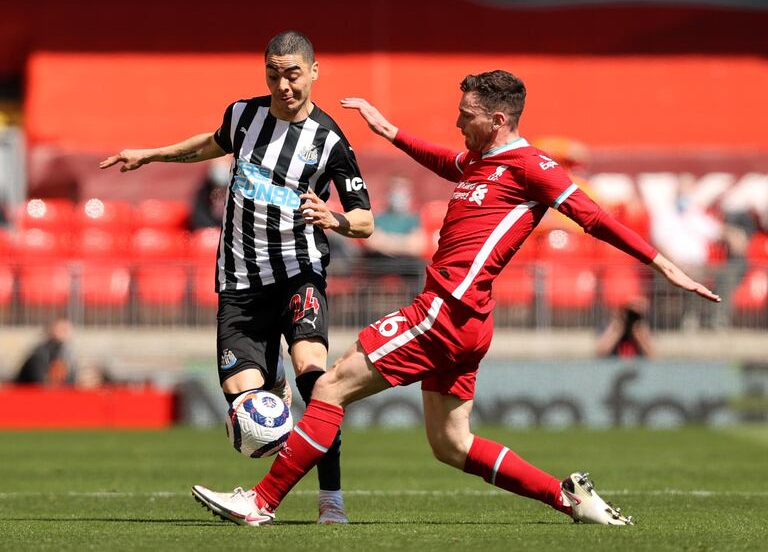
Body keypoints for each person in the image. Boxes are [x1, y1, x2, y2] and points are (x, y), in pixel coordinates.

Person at [189, 70, 720, 527]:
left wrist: (663, 264)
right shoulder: (478, 162)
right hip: (466, 322)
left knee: (329, 385)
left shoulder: (531, 166)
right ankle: (568, 498)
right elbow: (445, 160)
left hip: (446, 311)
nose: (457, 122)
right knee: (451, 445)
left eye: (466, 114)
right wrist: (389, 130)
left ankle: (261, 501)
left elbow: (594, 216)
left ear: (498, 120)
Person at [100, 31, 373, 524]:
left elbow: (365, 219)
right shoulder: (243, 115)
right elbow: (212, 142)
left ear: (313, 72)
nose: (283, 85)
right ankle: (274, 394)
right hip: (240, 285)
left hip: (298, 274)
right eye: (273, 74)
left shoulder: (330, 141)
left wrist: (334, 220)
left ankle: (331, 498)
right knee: (250, 418)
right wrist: (152, 153)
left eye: (292, 74)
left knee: (316, 379)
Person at [14, 318, 77, 385]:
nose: (65, 333)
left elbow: (70, 379)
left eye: (66, 330)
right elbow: (38, 379)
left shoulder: (66, 352)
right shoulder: (41, 352)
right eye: (62, 329)